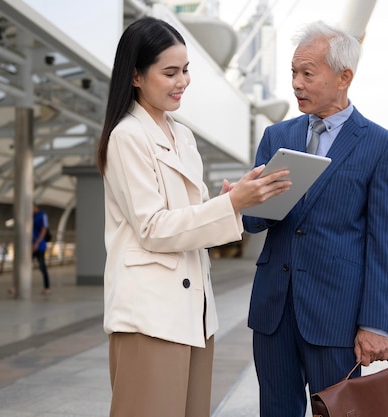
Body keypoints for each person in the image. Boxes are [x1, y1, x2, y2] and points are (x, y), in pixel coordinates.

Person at [96, 17, 290, 417]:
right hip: (149, 317)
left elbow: (194, 224)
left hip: (194, 314)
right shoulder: (127, 136)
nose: (182, 81)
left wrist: (231, 200)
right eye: (170, 72)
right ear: (135, 76)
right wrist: (229, 206)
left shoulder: (181, 135)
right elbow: (152, 229)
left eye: (186, 70)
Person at [242, 21, 388, 416]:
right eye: (293, 73)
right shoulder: (275, 136)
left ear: (344, 77)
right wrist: (244, 200)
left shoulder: (383, 146)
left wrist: (375, 325)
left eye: (307, 74)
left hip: (337, 317)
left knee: (339, 412)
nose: (297, 83)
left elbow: (383, 242)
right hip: (273, 313)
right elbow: (253, 223)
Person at [32, 203, 51, 295]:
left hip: (39, 245)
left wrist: (36, 243)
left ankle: (47, 287)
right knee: (23, 265)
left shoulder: (42, 215)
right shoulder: (30, 216)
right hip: (30, 245)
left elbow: (44, 230)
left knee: (42, 266)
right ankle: (17, 286)